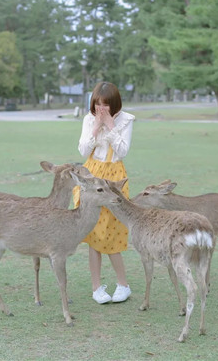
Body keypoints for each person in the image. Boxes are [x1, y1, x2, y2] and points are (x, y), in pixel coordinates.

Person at [73, 81, 135, 304]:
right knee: (94, 233)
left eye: (106, 105)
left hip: (114, 177)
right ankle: (96, 287)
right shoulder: (89, 119)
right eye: (97, 104)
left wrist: (110, 125)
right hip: (92, 175)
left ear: (114, 104)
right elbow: (82, 150)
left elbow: (123, 150)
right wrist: (96, 127)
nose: (100, 109)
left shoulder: (126, 120)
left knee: (111, 231)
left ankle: (123, 284)